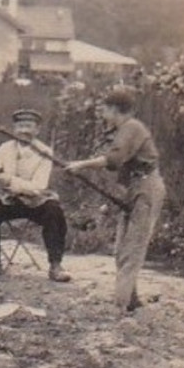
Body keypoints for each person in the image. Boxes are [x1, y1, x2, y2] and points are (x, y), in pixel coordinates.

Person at [66, 87, 166, 313]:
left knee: (132, 248)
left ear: (115, 109)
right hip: (133, 187)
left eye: (104, 109)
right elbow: (119, 166)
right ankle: (130, 299)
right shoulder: (123, 129)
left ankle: (120, 305)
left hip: (146, 187)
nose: (101, 114)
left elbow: (114, 160)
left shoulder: (131, 127)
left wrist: (81, 165)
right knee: (122, 248)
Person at [0, 109, 73, 283]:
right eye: (20, 126)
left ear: (37, 130)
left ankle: (55, 265)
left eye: (28, 126)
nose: (23, 131)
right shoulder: (6, 148)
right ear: (14, 129)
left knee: (54, 212)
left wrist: (9, 180)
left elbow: (38, 187)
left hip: (35, 201)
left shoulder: (44, 152)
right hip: (10, 200)